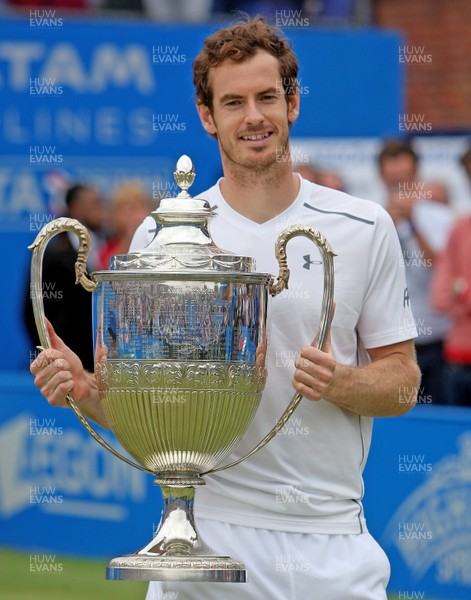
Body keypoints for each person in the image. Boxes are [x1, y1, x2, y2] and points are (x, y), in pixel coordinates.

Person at [31, 16, 421, 599]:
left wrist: (340, 381)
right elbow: (143, 410)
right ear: (207, 116)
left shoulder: (364, 227)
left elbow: (404, 384)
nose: (254, 117)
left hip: (332, 543)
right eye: (233, 102)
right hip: (203, 545)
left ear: (292, 103)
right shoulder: (162, 240)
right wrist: (85, 391)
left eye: (267, 97)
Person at [377, 139, 453, 405]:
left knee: (438, 418)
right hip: (389, 342)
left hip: (436, 339)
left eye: (404, 179)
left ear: (416, 174)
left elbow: (441, 272)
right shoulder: (372, 217)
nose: (399, 186)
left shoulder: (439, 217)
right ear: (381, 176)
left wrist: (413, 223)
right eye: (392, 180)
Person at [24, 183, 105, 372]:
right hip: (65, 366)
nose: (101, 210)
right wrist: (50, 356)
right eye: (95, 204)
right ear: (76, 208)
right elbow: (32, 311)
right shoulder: (52, 257)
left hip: (98, 365)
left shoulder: (106, 249)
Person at [429, 146, 471, 407]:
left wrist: (462, 291)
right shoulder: (460, 230)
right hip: (459, 359)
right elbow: (440, 296)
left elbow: (454, 292)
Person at [98, 180, 152, 270]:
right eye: (124, 208)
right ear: (113, 215)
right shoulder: (106, 249)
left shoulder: (156, 243)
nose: (131, 214)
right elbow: (108, 268)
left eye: (136, 207)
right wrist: (130, 237)